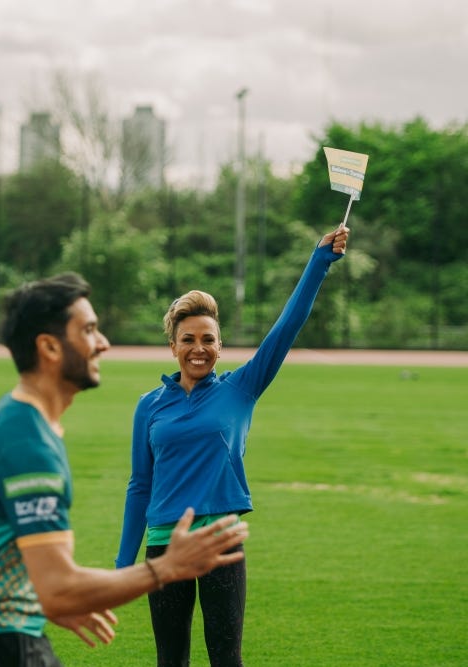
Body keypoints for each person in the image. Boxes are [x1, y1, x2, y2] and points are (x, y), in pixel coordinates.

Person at [0, 273, 249, 666]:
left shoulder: (5, 419)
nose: (104, 343)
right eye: (90, 330)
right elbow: (61, 586)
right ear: (49, 347)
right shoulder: (31, 443)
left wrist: (40, 599)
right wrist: (166, 567)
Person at [115, 225, 350, 666]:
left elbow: (288, 326)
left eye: (208, 340)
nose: (198, 348)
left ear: (220, 347)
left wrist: (319, 261)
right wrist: (124, 564)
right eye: (188, 339)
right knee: (171, 661)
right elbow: (139, 486)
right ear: (173, 346)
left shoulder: (240, 389)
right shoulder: (149, 407)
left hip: (221, 541)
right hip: (165, 546)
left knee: (227, 659)